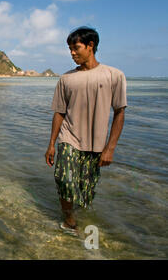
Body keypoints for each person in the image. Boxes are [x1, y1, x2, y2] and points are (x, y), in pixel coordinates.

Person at [45, 27, 127, 235]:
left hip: (97, 144)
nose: (72, 53)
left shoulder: (114, 75)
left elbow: (119, 113)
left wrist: (110, 148)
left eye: (76, 48)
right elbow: (59, 113)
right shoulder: (66, 79)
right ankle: (69, 221)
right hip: (69, 138)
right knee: (64, 179)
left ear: (91, 46)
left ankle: (78, 214)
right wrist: (51, 144)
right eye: (70, 49)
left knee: (85, 191)